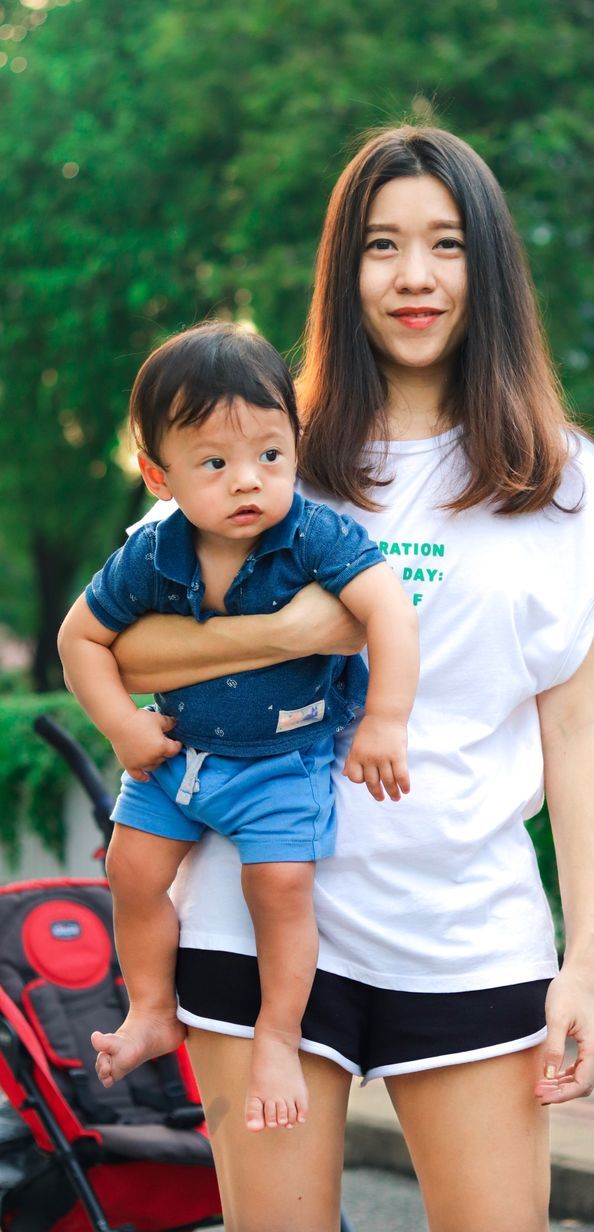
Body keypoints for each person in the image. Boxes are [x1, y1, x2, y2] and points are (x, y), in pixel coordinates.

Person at [110, 126, 594, 1232]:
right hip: (255, 921)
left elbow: (578, 730)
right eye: (381, 245)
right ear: (342, 270)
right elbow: (126, 646)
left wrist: (582, 961)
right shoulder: (261, 440)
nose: (412, 277)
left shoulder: (560, 480)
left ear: (483, 267)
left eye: (444, 245)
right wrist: (294, 628)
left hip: (466, 925)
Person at [57, 322, 419, 1132]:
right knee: (129, 869)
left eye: (269, 455)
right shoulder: (154, 553)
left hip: (280, 765)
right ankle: (152, 1008)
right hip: (178, 759)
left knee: (282, 887)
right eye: (215, 464)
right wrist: (121, 728)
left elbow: (389, 612)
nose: (247, 481)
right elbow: (79, 638)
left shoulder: (312, 536)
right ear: (160, 474)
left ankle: (279, 1037)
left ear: (294, 446)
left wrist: (384, 721)